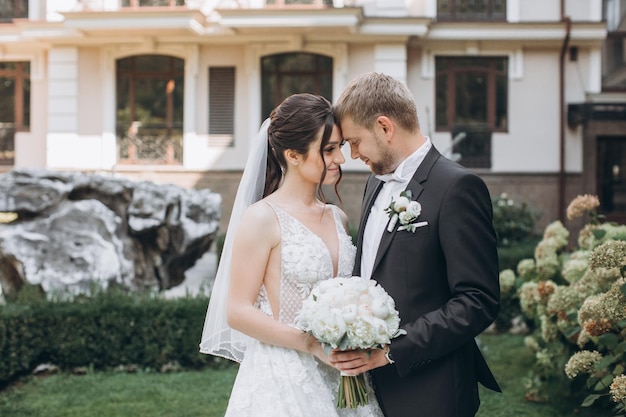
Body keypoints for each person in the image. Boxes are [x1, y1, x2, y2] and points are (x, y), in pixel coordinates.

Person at [199, 93, 384, 417]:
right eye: (328, 150)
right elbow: (238, 311)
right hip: (283, 375)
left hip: (343, 373)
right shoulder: (262, 219)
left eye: (339, 147)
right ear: (293, 155)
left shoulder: (337, 217)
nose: (340, 159)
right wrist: (310, 344)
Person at [329, 72, 502, 417]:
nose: (351, 154)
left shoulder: (457, 187)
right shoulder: (374, 185)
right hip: (373, 388)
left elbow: (477, 300)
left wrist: (393, 349)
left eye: (354, 141)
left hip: (431, 390)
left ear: (384, 127)